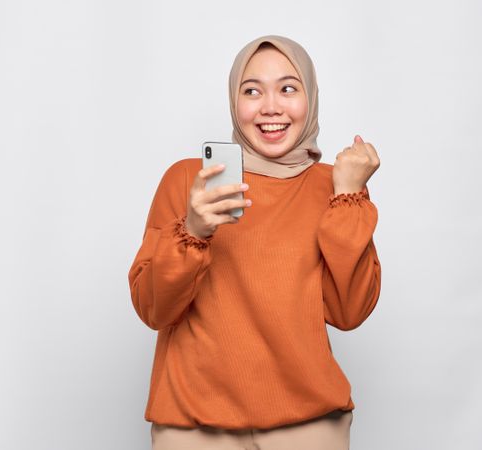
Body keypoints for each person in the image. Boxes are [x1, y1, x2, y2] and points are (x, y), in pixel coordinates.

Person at [128, 35, 381, 450]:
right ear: (234, 101)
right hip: (193, 426)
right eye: (252, 90)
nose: (270, 107)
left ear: (310, 97)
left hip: (308, 424)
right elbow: (153, 309)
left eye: (288, 88)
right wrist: (192, 230)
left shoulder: (333, 185)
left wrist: (349, 197)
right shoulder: (190, 180)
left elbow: (349, 311)